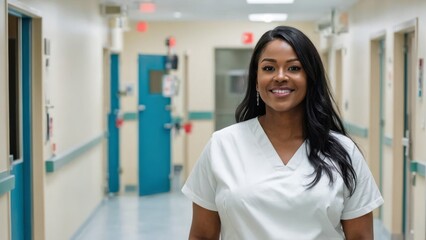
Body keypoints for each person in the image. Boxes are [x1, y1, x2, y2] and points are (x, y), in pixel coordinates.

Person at [182, 25, 384, 240]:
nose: (280, 76)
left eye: (294, 68)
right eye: (269, 68)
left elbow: (361, 237)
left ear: (310, 78)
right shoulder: (222, 145)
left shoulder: (344, 152)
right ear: (256, 81)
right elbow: (202, 235)